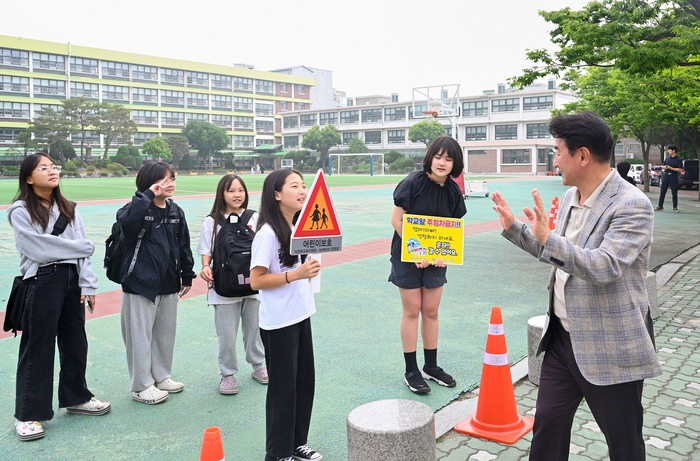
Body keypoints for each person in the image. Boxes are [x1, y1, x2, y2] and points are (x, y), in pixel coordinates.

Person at [491, 112, 661, 460]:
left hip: (610, 345)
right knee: (548, 428)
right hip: (562, 338)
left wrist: (548, 239)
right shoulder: (571, 197)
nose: (555, 160)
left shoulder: (632, 205)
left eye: (558, 151)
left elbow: (605, 265)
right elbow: (557, 253)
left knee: (624, 441)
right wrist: (514, 228)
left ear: (583, 155)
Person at [7, 153, 110, 441]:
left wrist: (88, 285)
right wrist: (80, 246)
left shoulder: (68, 207)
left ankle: (77, 398)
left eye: (54, 167)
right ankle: (27, 414)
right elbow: (37, 249)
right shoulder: (19, 210)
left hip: (72, 281)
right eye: (44, 168)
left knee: (75, 340)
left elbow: (82, 254)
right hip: (42, 279)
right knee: (38, 347)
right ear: (29, 177)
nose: (52, 171)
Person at [250, 169, 323, 461]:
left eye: (304, 185)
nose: (303, 190)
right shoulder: (267, 234)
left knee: (304, 383)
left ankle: (296, 444)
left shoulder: (298, 228)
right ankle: (278, 453)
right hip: (278, 322)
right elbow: (257, 280)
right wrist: (296, 275)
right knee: (283, 390)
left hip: (300, 314)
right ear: (277, 194)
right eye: (295, 186)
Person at [389, 136, 467, 394]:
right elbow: (397, 220)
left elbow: (454, 231)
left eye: (448, 158)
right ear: (430, 157)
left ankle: (431, 367)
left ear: (455, 163)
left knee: (431, 310)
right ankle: (411, 370)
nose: (442, 163)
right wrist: (417, 249)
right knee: (412, 310)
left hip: (436, 260)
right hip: (408, 256)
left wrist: (444, 253)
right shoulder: (412, 183)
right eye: (438, 156)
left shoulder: (454, 191)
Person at [117, 161, 195, 405]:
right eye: (162, 180)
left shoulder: (175, 211)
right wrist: (149, 195)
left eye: (171, 179)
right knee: (139, 337)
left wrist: (187, 273)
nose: (168, 184)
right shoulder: (134, 209)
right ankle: (141, 386)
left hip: (169, 282)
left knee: (164, 334)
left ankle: (161, 376)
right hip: (140, 284)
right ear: (148, 183)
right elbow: (127, 225)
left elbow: (183, 245)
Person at [198, 174, 267, 395]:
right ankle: (227, 374)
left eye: (240, 190)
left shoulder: (254, 217)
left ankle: (259, 366)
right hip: (224, 286)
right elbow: (206, 251)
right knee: (227, 334)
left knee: (254, 329)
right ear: (222, 194)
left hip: (253, 284)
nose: (237, 195)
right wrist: (206, 267)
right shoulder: (212, 221)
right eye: (231, 191)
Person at [656, 145, 683, 212]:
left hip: (673, 176)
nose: (668, 151)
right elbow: (663, 165)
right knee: (662, 191)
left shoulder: (678, 159)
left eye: (669, 150)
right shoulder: (667, 158)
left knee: (674, 192)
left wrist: (671, 168)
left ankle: (675, 207)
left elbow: (680, 169)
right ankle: (660, 206)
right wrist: (665, 167)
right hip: (666, 175)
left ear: (674, 150)